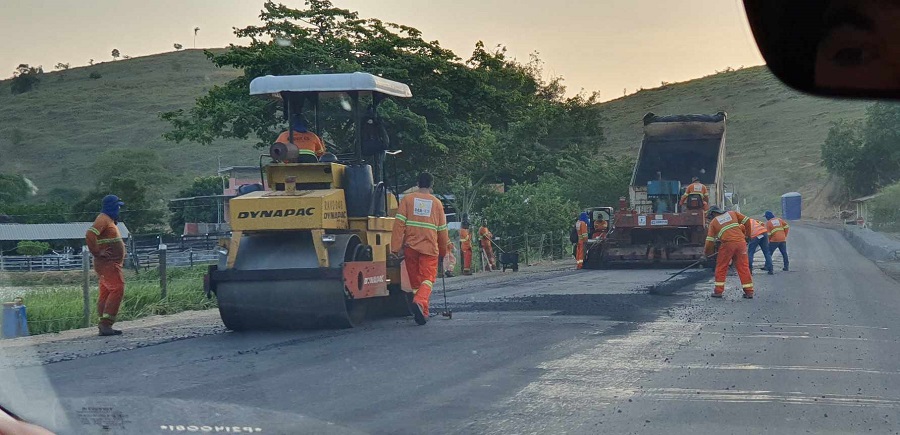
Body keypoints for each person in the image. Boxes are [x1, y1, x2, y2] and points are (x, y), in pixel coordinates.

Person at [390, 172, 449, 325]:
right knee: (428, 279)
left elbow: (398, 225)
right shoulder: (436, 203)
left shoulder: (407, 200)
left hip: (410, 247)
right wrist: (443, 251)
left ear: (417, 183)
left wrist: (395, 248)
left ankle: (423, 312)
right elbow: (442, 231)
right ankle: (420, 301)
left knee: (416, 282)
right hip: (429, 248)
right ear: (431, 185)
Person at [85, 195, 127, 336]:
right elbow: (90, 234)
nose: (119, 209)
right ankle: (106, 324)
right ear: (111, 206)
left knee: (106, 291)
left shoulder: (109, 220)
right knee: (117, 288)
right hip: (108, 264)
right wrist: (97, 252)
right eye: (118, 206)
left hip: (108, 264)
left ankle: (104, 323)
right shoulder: (103, 219)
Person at [705, 205, 755, 299]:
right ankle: (749, 292)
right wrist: (747, 235)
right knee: (743, 267)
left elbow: (709, 241)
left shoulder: (714, 222)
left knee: (721, 267)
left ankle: (718, 292)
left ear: (713, 213)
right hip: (741, 243)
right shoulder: (732, 213)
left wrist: (708, 254)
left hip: (727, 245)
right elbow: (747, 220)